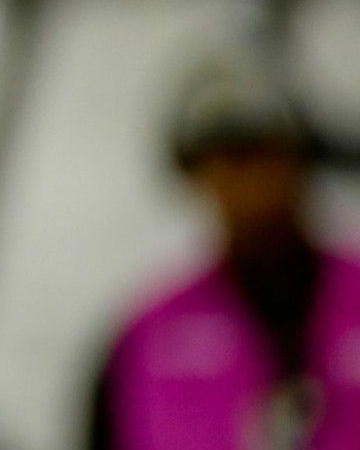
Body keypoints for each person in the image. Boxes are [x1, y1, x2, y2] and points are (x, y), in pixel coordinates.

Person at [88, 55, 360, 449]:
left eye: (264, 153)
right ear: (196, 176)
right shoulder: (146, 337)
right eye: (230, 160)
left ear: (302, 160)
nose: (250, 182)